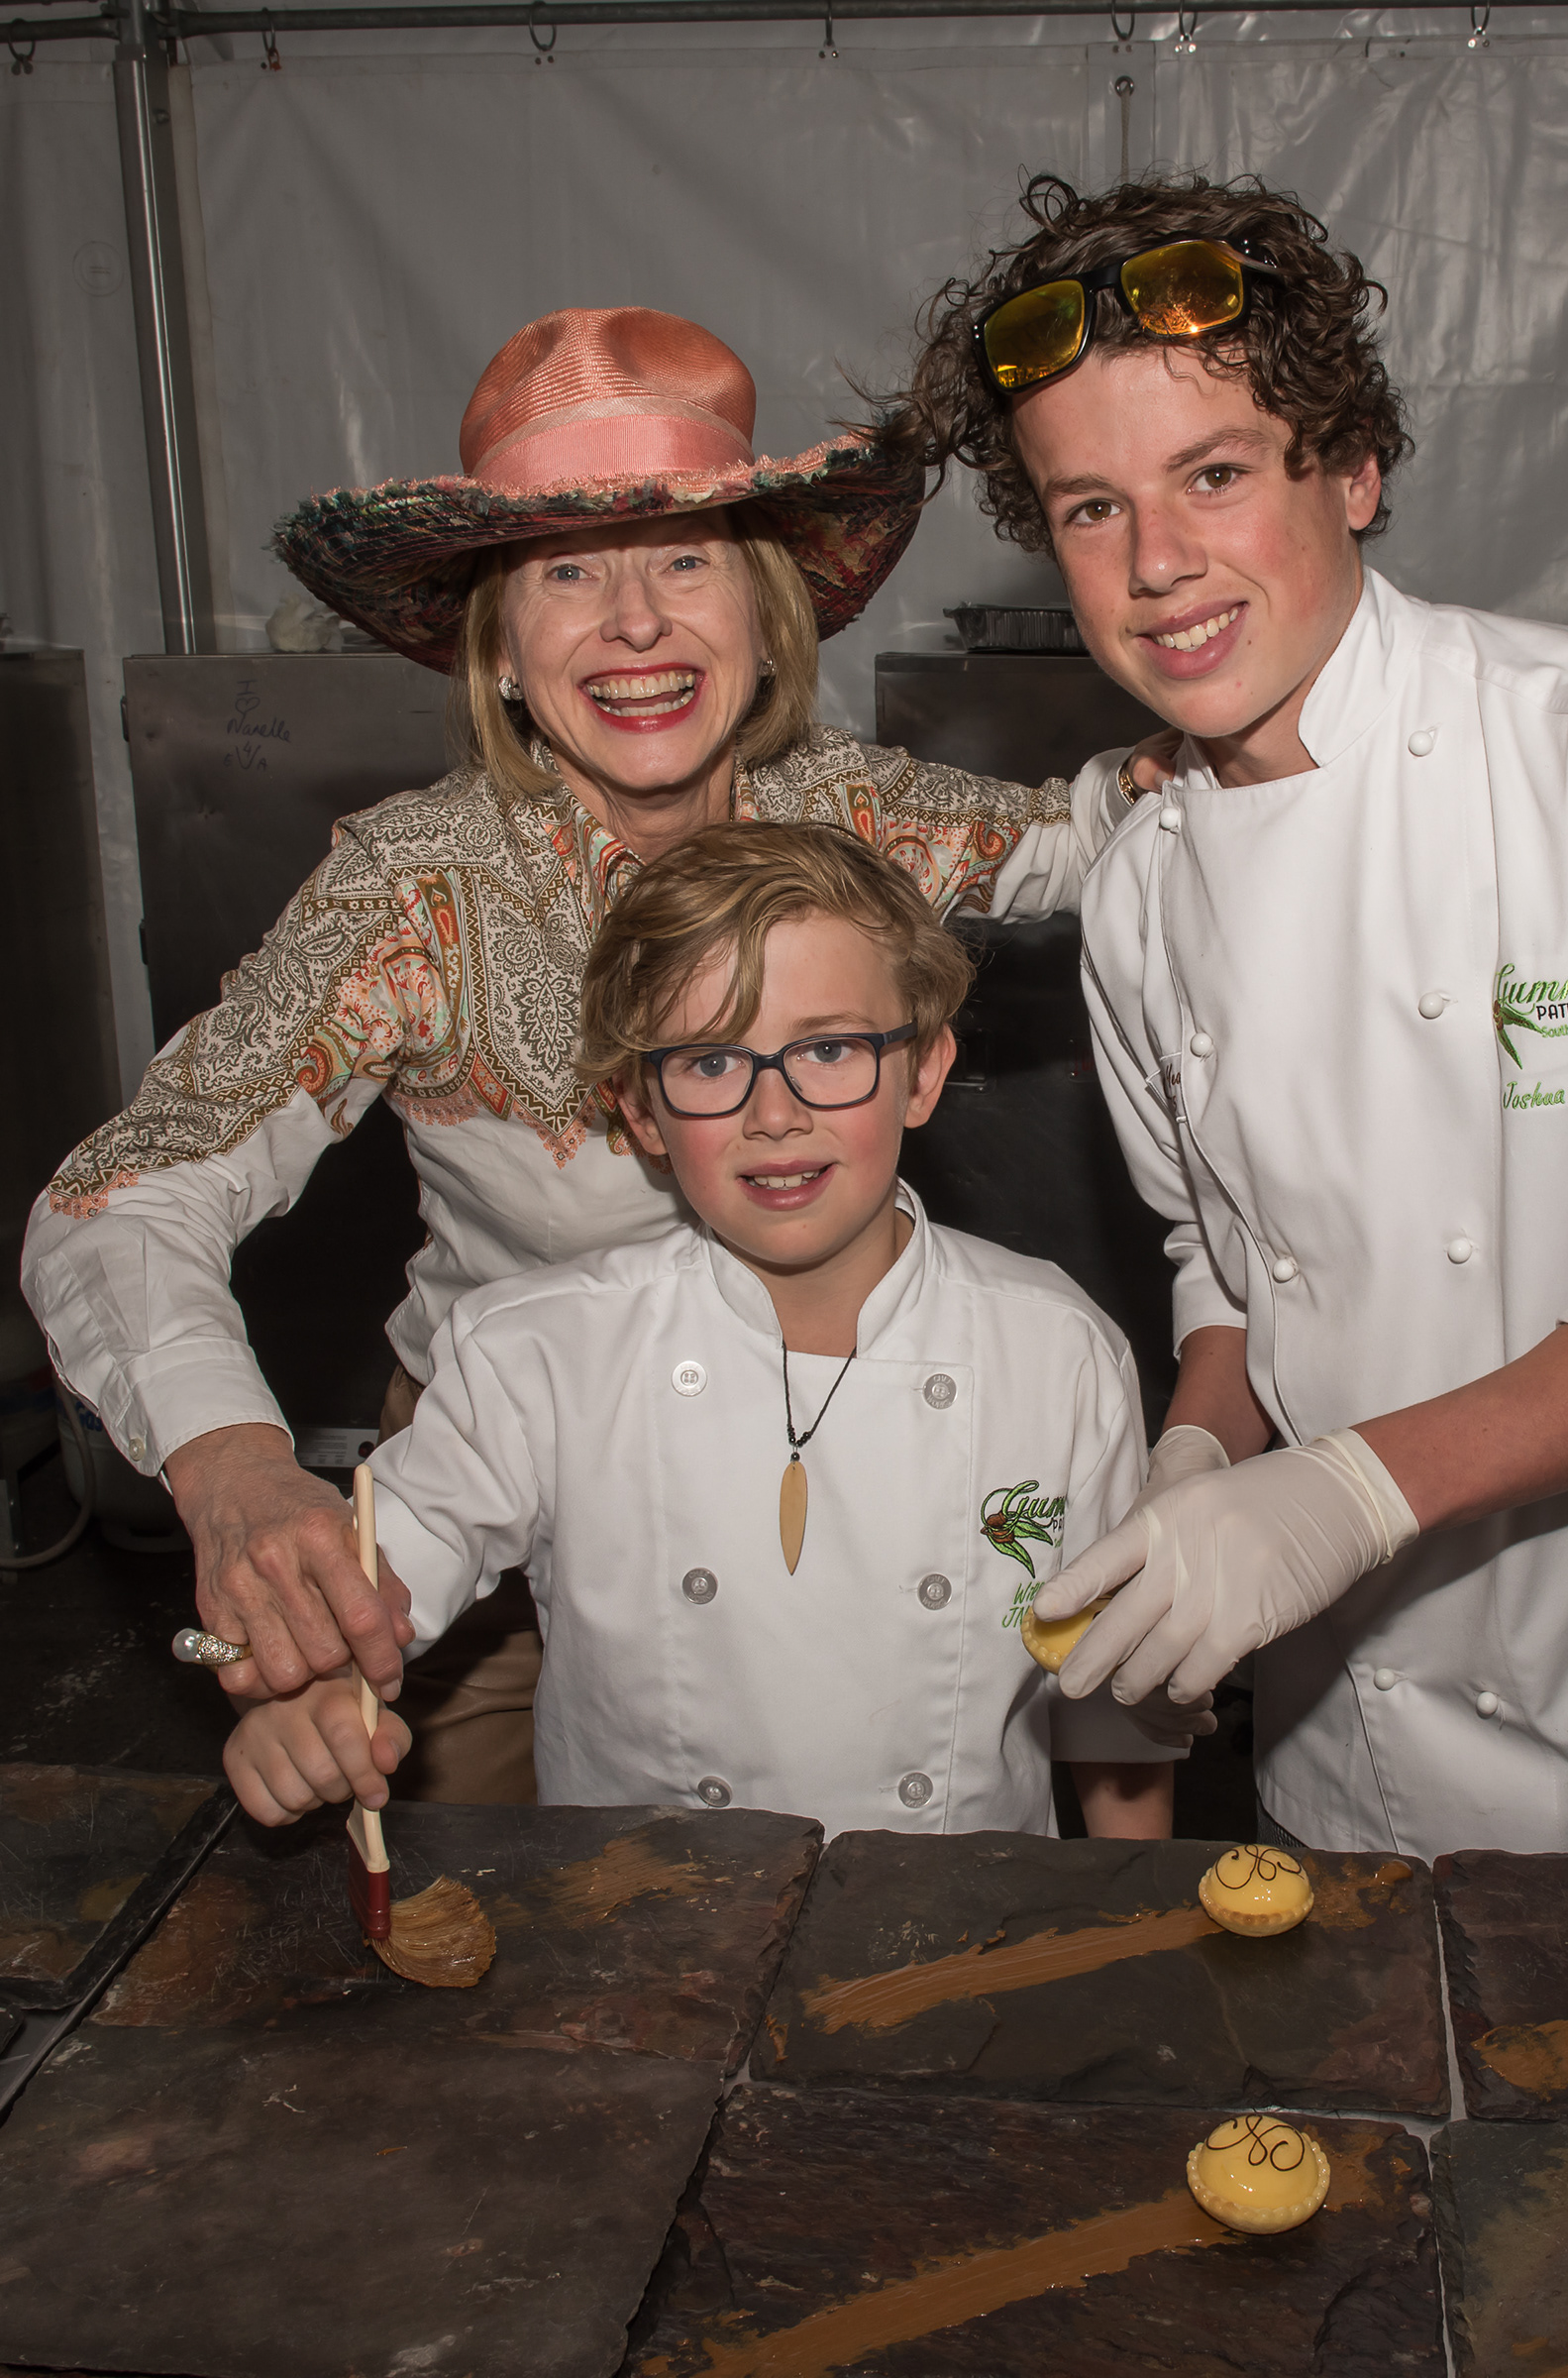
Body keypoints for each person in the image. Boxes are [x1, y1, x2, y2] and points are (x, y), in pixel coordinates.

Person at [23, 304, 1169, 1802]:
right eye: (568, 573)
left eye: (685, 559)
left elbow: (1099, 837)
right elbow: (123, 1193)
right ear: (498, 649)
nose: (636, 625)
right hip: (488, 1476)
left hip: (849, 1421)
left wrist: (1248, 735)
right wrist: (234, 1467)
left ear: (764, 614)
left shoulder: (853, 811)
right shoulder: (414, 888)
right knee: (497, 1928)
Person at [891, 171, 1568, 1860]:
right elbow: (1228, 1273)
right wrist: (1200, 1466)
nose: (1156, 567)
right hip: (1344, 1774)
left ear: (1353, 469)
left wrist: (1347, 1494)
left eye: (1213, 476)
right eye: (1090, 509)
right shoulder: (1140, 889)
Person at [224, 823, 1186, 1840]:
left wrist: (1133, 1933)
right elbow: (379, 1580)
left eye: (829, 1048)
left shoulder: (1057, 1352)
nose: (775, 1114)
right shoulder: (535, 1354)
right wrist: (301, 1692)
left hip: (959, 1941)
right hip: (646, 1940)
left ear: (924, 1071)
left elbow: (1109, 1714)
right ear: (639, 1107)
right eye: (712, 1061)